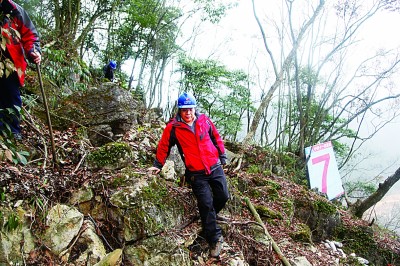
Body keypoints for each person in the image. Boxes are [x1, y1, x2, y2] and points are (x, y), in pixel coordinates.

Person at [148, 92, 230, 258]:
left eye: (190, 109)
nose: (188, 113)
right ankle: (214, 237)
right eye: (184, 110)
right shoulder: (174, 128)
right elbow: (164, 146)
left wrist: (222, 156)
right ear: (180, 110)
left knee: (223, 196)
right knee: (205, 204)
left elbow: (216, 137)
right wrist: (158, 165)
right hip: (196, 173)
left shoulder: (204, 120)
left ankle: (209, 218)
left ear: (194, 108)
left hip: (214, 166)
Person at [0, 0, 42, 140]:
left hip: (12, 63)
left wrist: (34, 51)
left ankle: (13, 132)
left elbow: (29, 35)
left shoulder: (15, 11)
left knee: (12, 96)